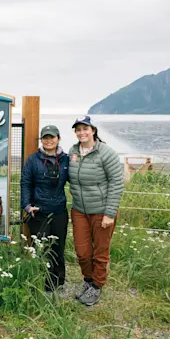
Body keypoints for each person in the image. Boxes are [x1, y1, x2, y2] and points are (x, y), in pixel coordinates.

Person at [68, 115, 124, 306]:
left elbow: (117, 183)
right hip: (79, 210)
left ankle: (97, 286)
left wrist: (110, 212)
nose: (82, 132)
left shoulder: (106, 153)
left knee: (100, 251)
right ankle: (88, 281)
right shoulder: (73, 152)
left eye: (85, 128)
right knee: (82, 252)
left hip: (101, 210)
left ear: (93, 131)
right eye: (78, 129)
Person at [20, 124, 69, 292]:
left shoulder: (66, 160)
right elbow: (25, 183)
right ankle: (42, 282)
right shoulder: (33, 160)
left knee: (58, 246)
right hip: (38, 211)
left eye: (52, 137)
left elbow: (78, 181)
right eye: (45, 137)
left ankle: (58, 282)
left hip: (59, 211)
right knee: (41, 248)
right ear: (41, 140)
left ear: (58, 139)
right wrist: (27, 206)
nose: (48, 140)